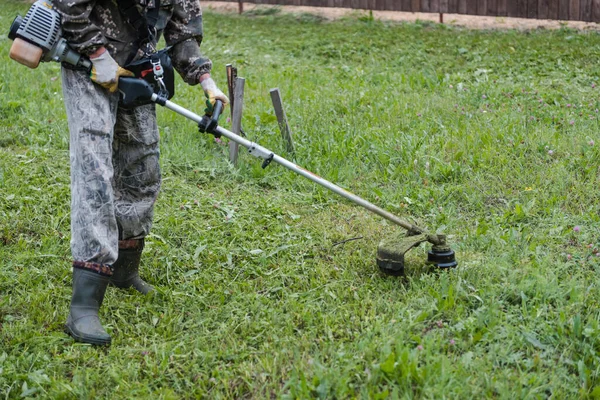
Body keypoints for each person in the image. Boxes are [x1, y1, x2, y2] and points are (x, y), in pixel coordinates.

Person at [53, 0, 229, 346]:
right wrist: (98, 54)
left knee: (142, 166)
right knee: (95, 174)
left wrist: (207, 82)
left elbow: (183, 32)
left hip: (137, 67)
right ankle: (84, 304)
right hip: (86, 62)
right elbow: (68, 7)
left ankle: (124, 270)